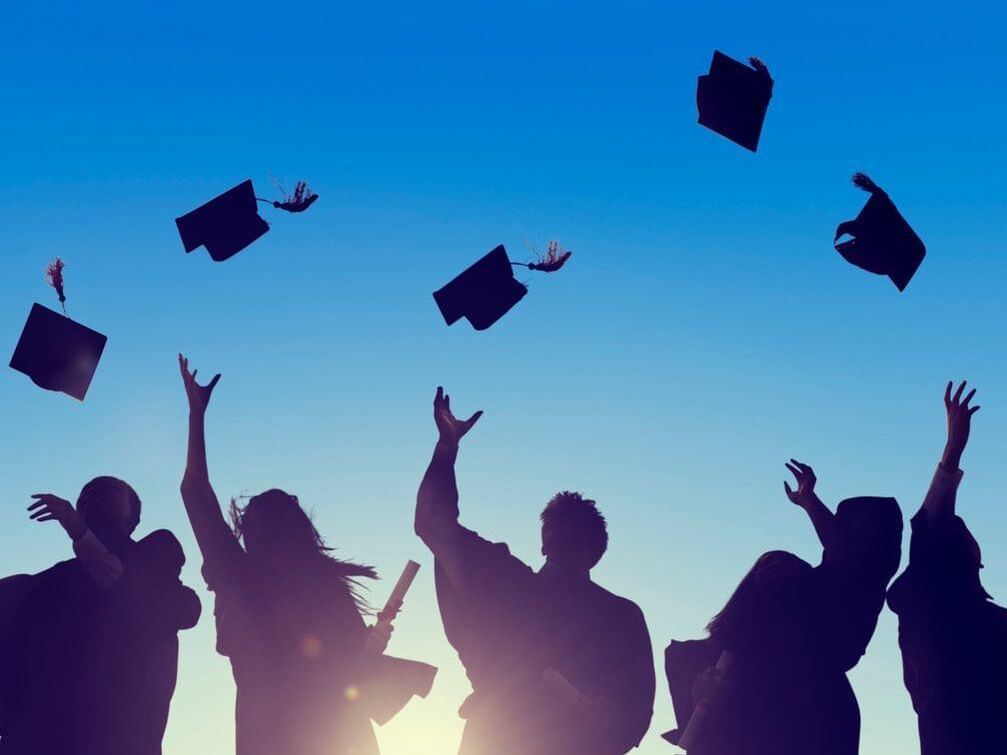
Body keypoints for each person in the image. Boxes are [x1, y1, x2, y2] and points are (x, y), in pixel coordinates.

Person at [177, 355, 435, 755]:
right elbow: (350, 668)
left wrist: (196, 415)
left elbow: (195, 491)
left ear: (250, 532)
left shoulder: (238, 575)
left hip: (273, 738)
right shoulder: (321, 584)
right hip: (339, 737)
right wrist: (371, 641)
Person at [415, 387, 655, 754]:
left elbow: (634, 715)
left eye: (573, 538)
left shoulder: (620, 616)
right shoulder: (506, 582)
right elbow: (432, 522)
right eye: (560, 533)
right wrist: (446, 448)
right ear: (545, 541)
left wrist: (609, 719)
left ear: (593, 553)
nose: (563, 545)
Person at [665, 460, 902, 754]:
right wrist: (699, 693)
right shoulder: (719, 663)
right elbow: (846, 552)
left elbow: (855, 557)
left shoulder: (835, 619)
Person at [0, 477, 201, 755]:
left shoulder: (155, 560)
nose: (91, 494)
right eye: (85, 494)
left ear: (132, 521)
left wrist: (81, 534)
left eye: (108, 491)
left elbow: (148, 603)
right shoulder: (43, 584)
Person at [887, 381, 1007, 755]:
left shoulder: (985, 621)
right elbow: (929, 530)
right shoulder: (933, 614)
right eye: (965, 535)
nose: (973, 540)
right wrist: (952, 451)